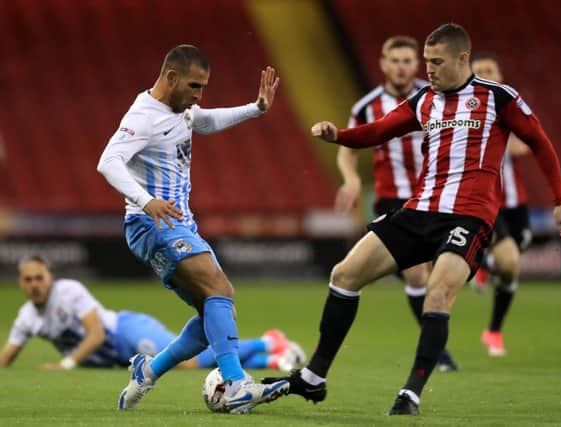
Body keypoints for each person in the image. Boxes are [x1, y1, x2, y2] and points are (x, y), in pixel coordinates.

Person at [263, 23, 561, 416]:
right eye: (427, 61)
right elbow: (379, 131)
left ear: (462, 58)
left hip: (468, 218)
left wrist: (560, 201)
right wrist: (338, 136)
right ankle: (314, 378)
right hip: (419, 210)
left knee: (437, 293)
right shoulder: (425, 100)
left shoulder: (498, 98)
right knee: (345, 275)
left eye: (436, 61)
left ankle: (410, 395)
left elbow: (540, 141)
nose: (428, 69)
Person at [97, 45, 289, 414]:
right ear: (171, 78)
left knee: (215, 315)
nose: (199, 96)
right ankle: (235, 385)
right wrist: (145, 199)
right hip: (151, 222)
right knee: (219, 289)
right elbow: (108, 162)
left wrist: (257, 108)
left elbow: (204, 120)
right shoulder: (142, 117)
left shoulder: (181, 111)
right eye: (194, 86)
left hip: (179, 222)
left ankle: (148, 371)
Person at [336, 35, 457, 371]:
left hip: (437, 195)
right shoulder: (366, 106)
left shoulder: (439, 98)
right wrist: (352, 179)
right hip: (394, 199)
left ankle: (436, 339)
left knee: (439, 274)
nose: (401, 67)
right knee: (419, 274)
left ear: (415, 64)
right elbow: (347, 150)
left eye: (407, 61)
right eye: (395, 61)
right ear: (383, 63)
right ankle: (439, 355)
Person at [0, 256, 306, 372]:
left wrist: (65, 364)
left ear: (49, 276)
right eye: (28, 280)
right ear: (21, 284)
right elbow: (7, 357)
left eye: (39, 277)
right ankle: (273, 358)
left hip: (126, 331)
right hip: (120, 358)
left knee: (187, 363)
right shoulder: (27, 317)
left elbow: (95, 334)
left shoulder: (68, 291)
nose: (35, 284)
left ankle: (266, 341)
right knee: (194, 366)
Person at [470, 52, 533, 356]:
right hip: (488, 202)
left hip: (515, 202)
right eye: (478, 70)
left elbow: (526, 146)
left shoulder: (511, 107)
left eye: (489, 70)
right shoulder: (467, 111)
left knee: (511, 267)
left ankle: (493, 327)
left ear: (500, 75)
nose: (484, 73)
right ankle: (494, 330)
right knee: (509, 260)